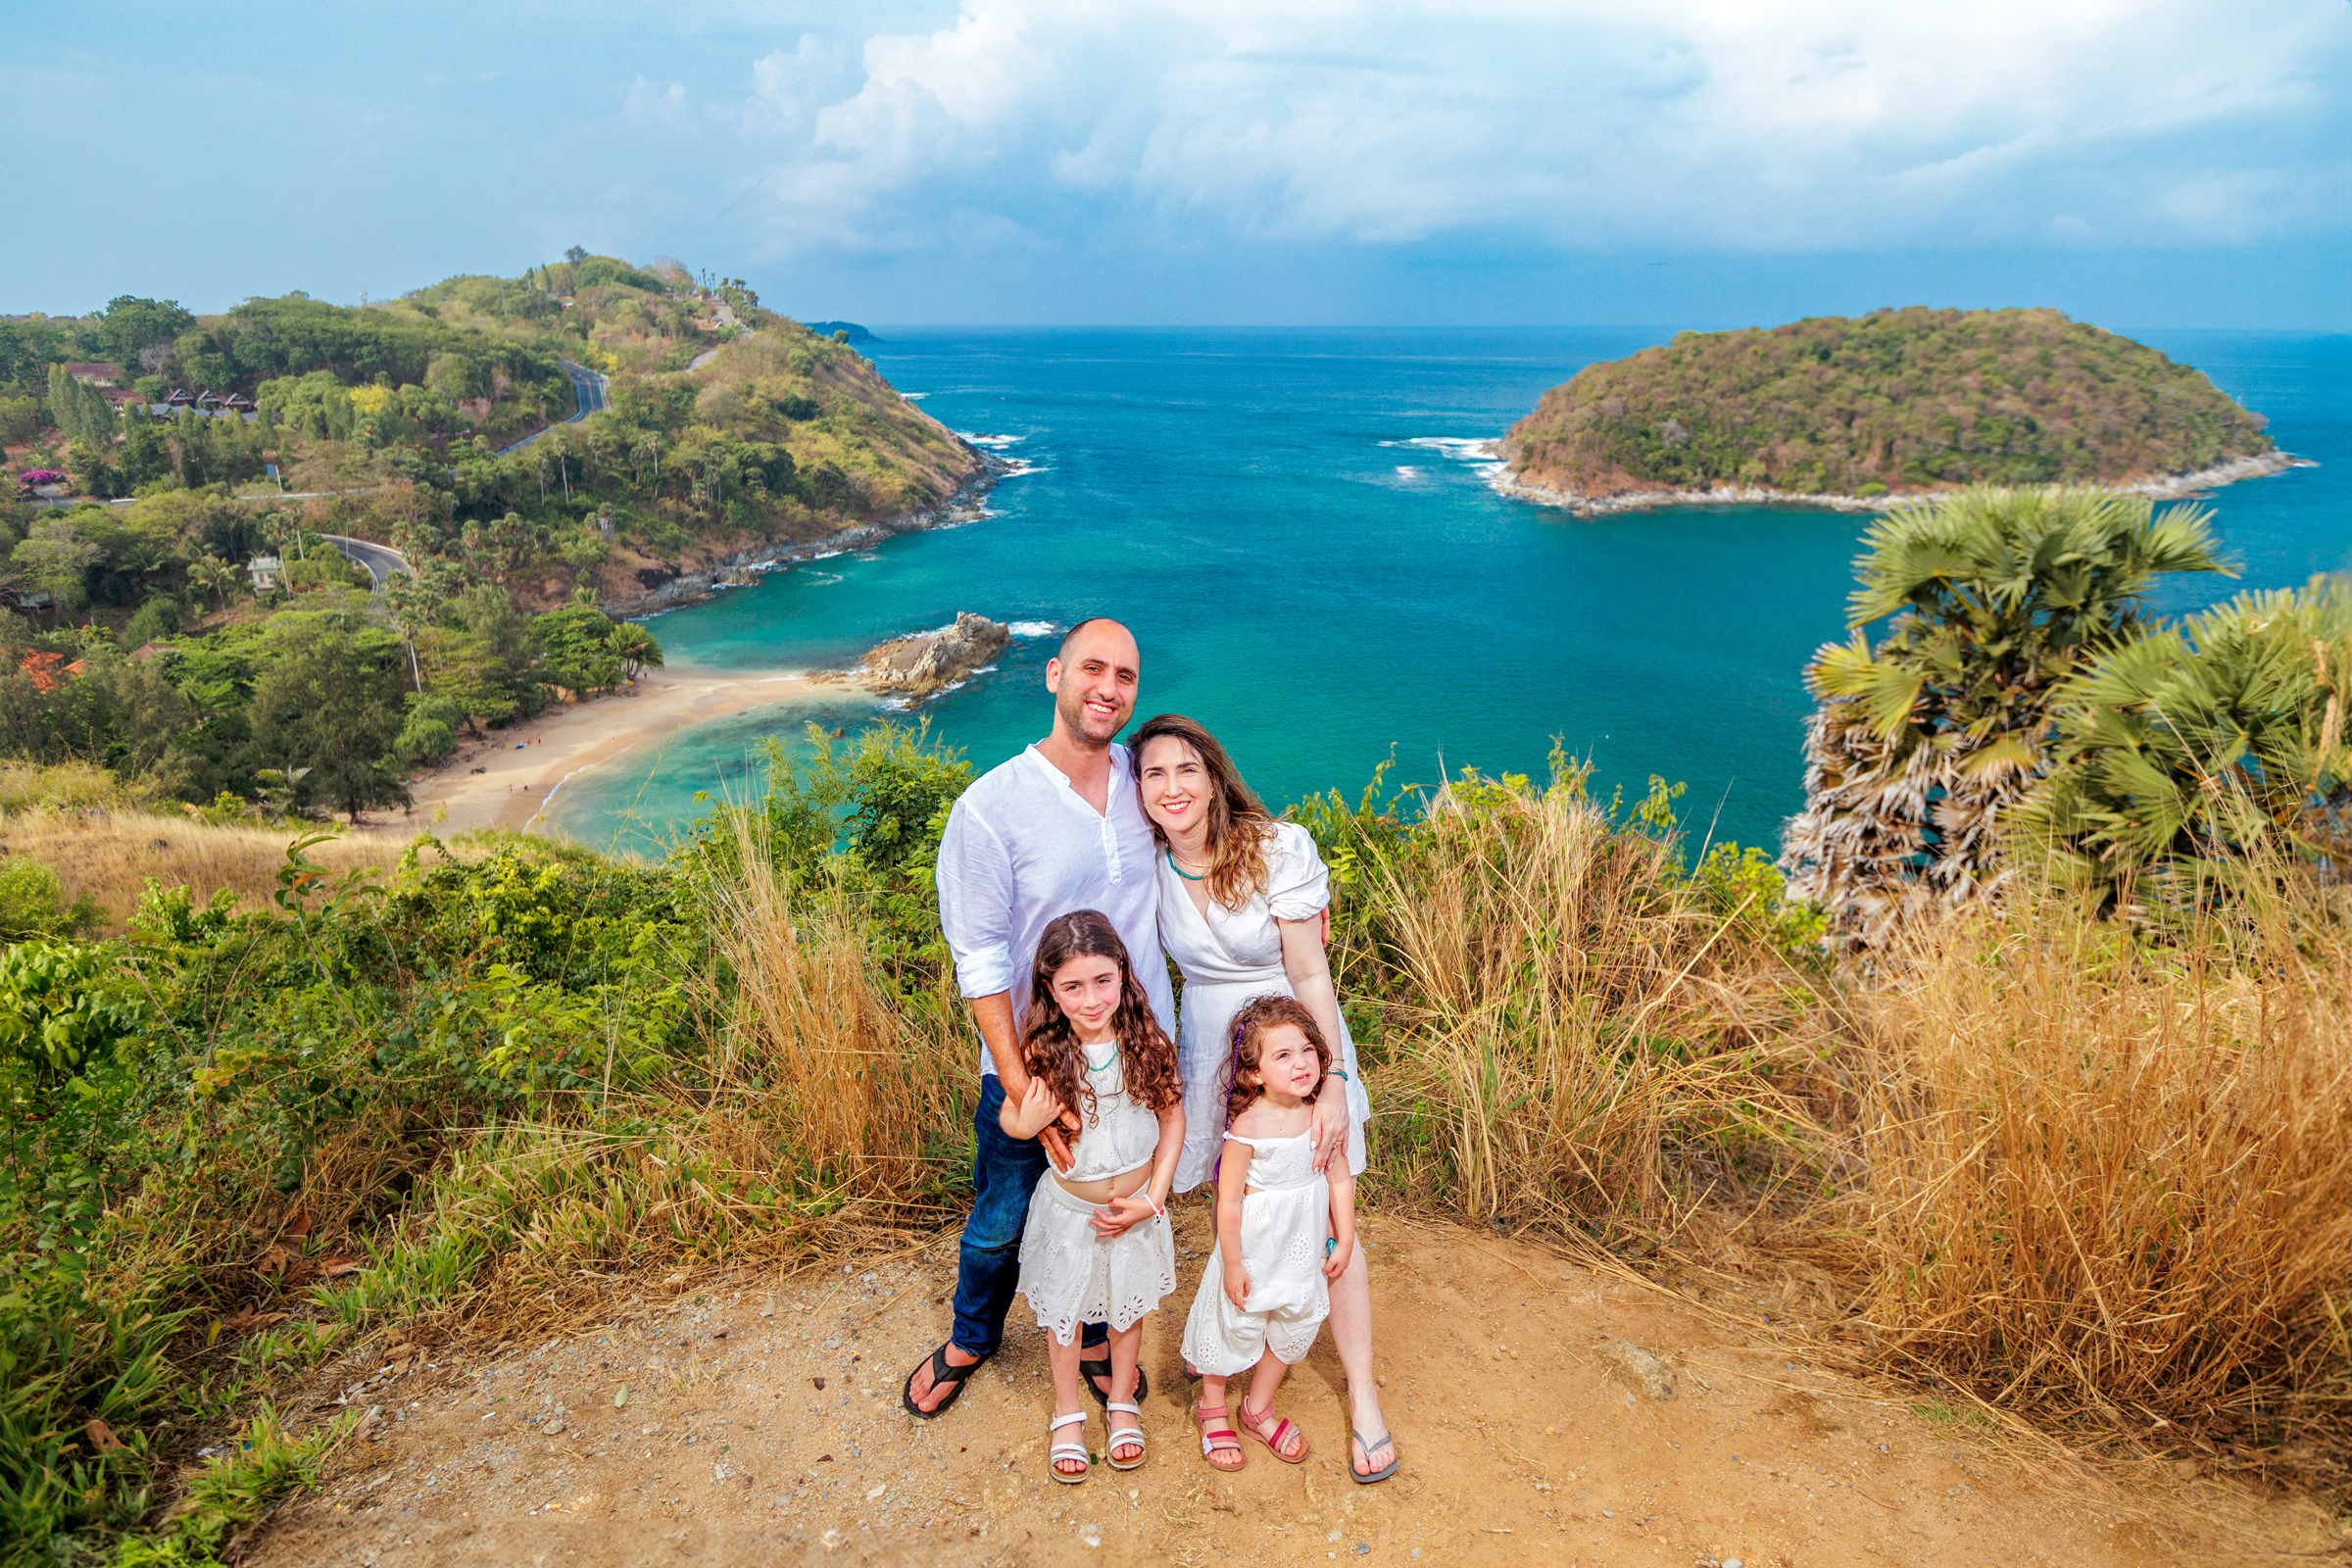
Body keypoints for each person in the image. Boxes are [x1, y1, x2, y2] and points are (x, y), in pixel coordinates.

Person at [903, 618, 1174, 1419]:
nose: (1109, 688)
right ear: (1053, 674)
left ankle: (1093, 1331)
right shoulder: (990, 809)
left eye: (1126, 676)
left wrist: (1304, 892)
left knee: (1107, 1203)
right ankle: (971, 1336)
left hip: (1130, 1059)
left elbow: (1218, 838)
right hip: (1038, 1066)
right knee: (1002, 1218)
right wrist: (1026, 1091)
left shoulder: (1147, 781)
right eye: (1093, 668)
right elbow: (981, 961)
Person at [1132, 712, 1400, 1483]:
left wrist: (1335, 1081)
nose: (1173, 787)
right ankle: (1224, 1369)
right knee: (1242, 1216)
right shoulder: (1146, 863)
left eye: (1188, 769)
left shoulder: (1279, 848)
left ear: (1215, 776)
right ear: (1139, 791)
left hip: (1295, 1040)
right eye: (1154, 774)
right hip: (1217, 1047)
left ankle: (1363, 1396)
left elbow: (1311, 974)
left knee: (1326, 1212)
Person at [1004, 910, 1184, 1482]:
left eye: (1102, 981)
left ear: (1123, 974)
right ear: (1050, 991)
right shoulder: (1043, 1049)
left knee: (1127, 1309)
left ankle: (1123, 1401)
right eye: (1072, 986)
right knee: (1068, 1316)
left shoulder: (1146, 1040)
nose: (1090, 999)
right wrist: (1023, 1121)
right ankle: (1067, 1410)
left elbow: (1173, 1119)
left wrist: (1153, 1198)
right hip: (1071, 1215)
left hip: (1135, 1212)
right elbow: (1014, 1116)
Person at [1179, 996, 1354, 1470]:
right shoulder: (1247, 1127)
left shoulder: (1322, 1114)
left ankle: (1257, 1408)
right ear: (1253, 1073)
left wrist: (1348, 1234)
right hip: (1255, 1253)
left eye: (1307, 1050)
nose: (1301, 1063)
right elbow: (1230, 1200)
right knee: (1234, 1322)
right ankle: (1213, 1405)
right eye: (1282, 1055)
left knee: (1293, 1322)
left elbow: (1338, 1178)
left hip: (1301, 1251)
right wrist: (1232, 1264)